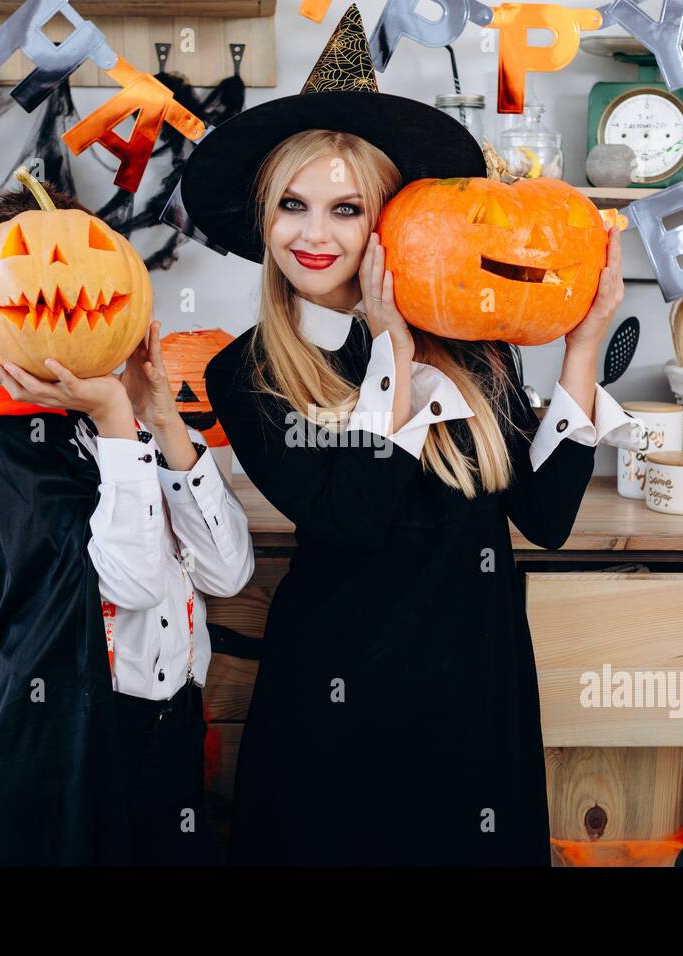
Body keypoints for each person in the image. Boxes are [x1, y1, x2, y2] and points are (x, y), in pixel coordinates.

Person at [180, 5, 641, 865]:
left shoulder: (474, 343)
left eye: (346, 209)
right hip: (335, 687)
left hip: (473, 683)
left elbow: (544, 517)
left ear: (391, 222)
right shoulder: (244, 373)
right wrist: (391, 352)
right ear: (264, 216)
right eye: (292, 205)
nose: (313, 236)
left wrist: (584, 346)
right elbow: (353, 517)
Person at [0, 183, 254, 866]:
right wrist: (117, 420)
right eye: (33, 278)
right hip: (74, 744)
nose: (66, 296)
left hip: (171, 730)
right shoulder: (0, 450)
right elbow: (136, 584)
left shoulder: (139, 429)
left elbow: (228, 571)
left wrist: (161, 419)